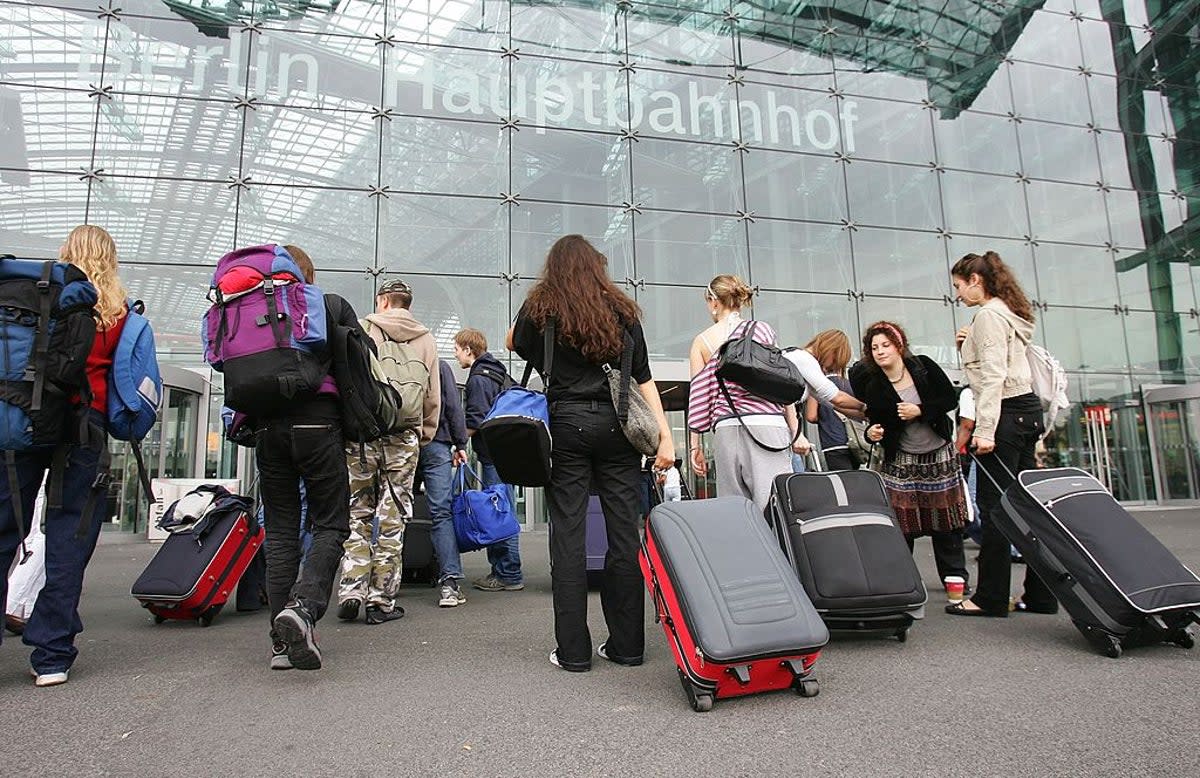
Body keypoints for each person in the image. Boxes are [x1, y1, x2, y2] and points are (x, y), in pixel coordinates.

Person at [507, 234, 674, 673]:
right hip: (618, 427)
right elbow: (643, 379)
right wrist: (665, 438)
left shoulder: (542, 309)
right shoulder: (621, 310)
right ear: (598, 269)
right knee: (624, 533)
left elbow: (512, 342)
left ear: (555, 268)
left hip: (566, 424)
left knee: (568, 535)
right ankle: (627, 647)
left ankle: (574, 653)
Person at [0, 225, 126, 686]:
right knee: (68, 538)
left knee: (4, 532)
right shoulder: (116, 314)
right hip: (82, 429)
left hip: (16, 423)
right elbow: (128, 388)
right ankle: (51, 655)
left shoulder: (27, 300)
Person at [253, 245, 361, 671]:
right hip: (318, 425)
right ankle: (302, 609)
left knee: (280, 533)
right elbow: (359, 366)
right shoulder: (327, 306)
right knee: (331, 523)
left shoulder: (251, 309)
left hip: (267, 429)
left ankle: (281, 644)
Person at [946, 251, 1057, 618]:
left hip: (1005, 415)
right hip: (1026, 411)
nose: (958, 295)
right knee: (1028, 508)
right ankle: (1041, 596)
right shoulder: (1009, 313)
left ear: (975, 281)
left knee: (996, 510)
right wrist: (968, 346)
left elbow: (994, 378)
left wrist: (986, 429)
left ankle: (989, 597)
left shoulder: (989, 315)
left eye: (959, 287)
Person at [337, 278, 440, 625]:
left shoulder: (364, 328)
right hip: (403, 438)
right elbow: (432, 395)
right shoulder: (426, 339)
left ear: (383, 301)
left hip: (364, 436)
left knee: (358, 513)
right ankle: (380, 600)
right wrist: (422, 434)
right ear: (407, 303)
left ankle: (352, 589)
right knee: (393, 518)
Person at [852, 321, 970, 590]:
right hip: (901, 457)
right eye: (874, 348)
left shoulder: (923, 366)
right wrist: (873, 432)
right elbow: (875, 419)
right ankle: (903, 581)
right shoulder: (872, 383)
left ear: (899, 345)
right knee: (902, 520)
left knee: (945, 517)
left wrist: (920, 410)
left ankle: (956, 578)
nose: (880, 352)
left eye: (886, 345)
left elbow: (949, 399)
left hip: (938, 453)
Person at [685, 275, 812, 508]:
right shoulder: (761, 330)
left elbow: (698, 396)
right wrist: (796, 431)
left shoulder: (702, 341)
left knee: (735, 510)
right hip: (767, 425)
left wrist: (695, 445)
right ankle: (777, 545)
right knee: (774, 506)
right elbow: (779, 381)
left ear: (714, 302)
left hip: (725, 427)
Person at [454, 328, 524, 594]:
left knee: (498, 513)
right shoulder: (497, 373)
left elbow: (476, 419)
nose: (456, 354)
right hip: (507, 453)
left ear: (469, 350)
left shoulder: (479, 378)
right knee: (503, 510)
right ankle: (506, 570)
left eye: (458, 349)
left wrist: (458, 444)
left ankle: (508, 573)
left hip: (496, 456)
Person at [414, 356, 470, 608]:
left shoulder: (388, 357)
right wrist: (460, 443)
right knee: (441, 513)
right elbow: (453, 408)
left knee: (391, 511)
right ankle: (449, 583)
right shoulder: (439, 364)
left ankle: (382, 585)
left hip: (401, 442)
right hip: (436, 442)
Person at [803, 329, 860, 472]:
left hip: (832, 442)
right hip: (855, 442)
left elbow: (811, 416)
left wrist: (825, 418)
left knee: (840, 484)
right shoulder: (850, 384)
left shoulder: (817, 383)